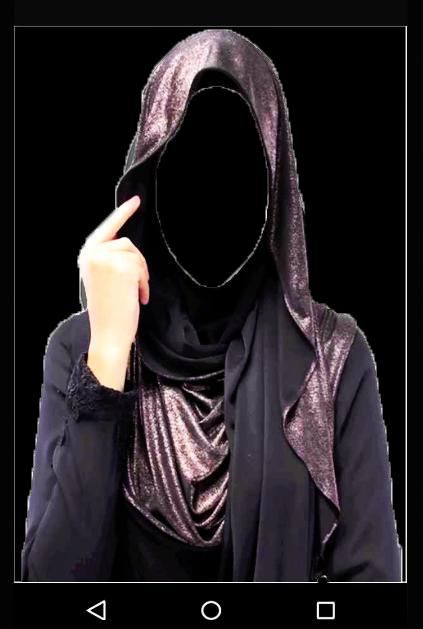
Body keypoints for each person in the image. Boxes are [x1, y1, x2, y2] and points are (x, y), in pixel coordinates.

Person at [21, 28, 402, 582]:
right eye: (186, 160)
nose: (213, 190)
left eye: (240, 163)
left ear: (275, 187)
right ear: (148, 179)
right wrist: (107, 358)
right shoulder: (82, 347)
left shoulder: (330, 359)